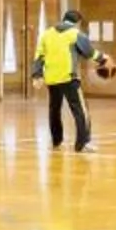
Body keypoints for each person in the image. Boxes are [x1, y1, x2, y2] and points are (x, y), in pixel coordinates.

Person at [34, 8, 97, 153]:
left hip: (52, 79)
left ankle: (57, 141)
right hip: (69, 78)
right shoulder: (75, 34)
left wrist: (37, 75)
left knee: (54, 109)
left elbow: (39, 57)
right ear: (77, 22)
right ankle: (83, 143)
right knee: (80, 110)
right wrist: (103, 59)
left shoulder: (47, 34)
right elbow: (88, 52)